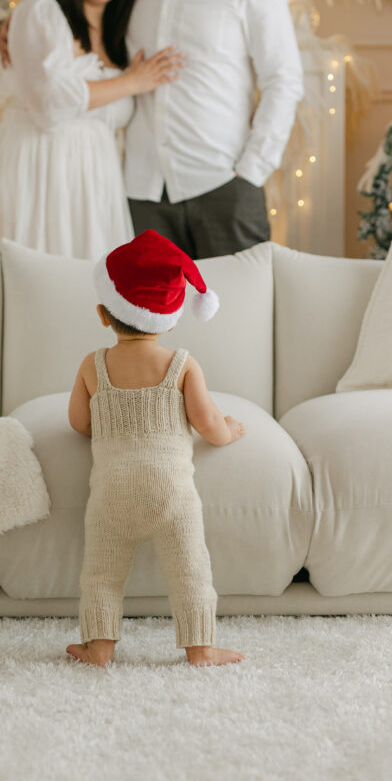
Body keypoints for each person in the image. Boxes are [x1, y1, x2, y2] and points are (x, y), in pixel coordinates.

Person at [66, 229, 246, 667]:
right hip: (172, 494)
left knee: (102, 575)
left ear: (104, 314)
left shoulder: (93, 365)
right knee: (191, 572)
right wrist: (229, 429)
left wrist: (111, 423)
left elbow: (79, 422)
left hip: (110, 494)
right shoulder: (181, 365)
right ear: (171, 317)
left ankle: (99, 647)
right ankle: (200, 648)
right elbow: (207, 424)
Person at [125, 0, 305, 259]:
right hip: (142, 192)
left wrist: (250, 174)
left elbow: (284, 79)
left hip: (224, 187)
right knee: (151, 323)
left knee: (241, 321)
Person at [0, 0, 182, 258]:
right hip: (36, 168)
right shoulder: (42, 13)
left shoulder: (123, 36)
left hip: (96, 181)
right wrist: (133, 82)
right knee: (34, 286)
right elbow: (51, 105)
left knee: (92, 298)